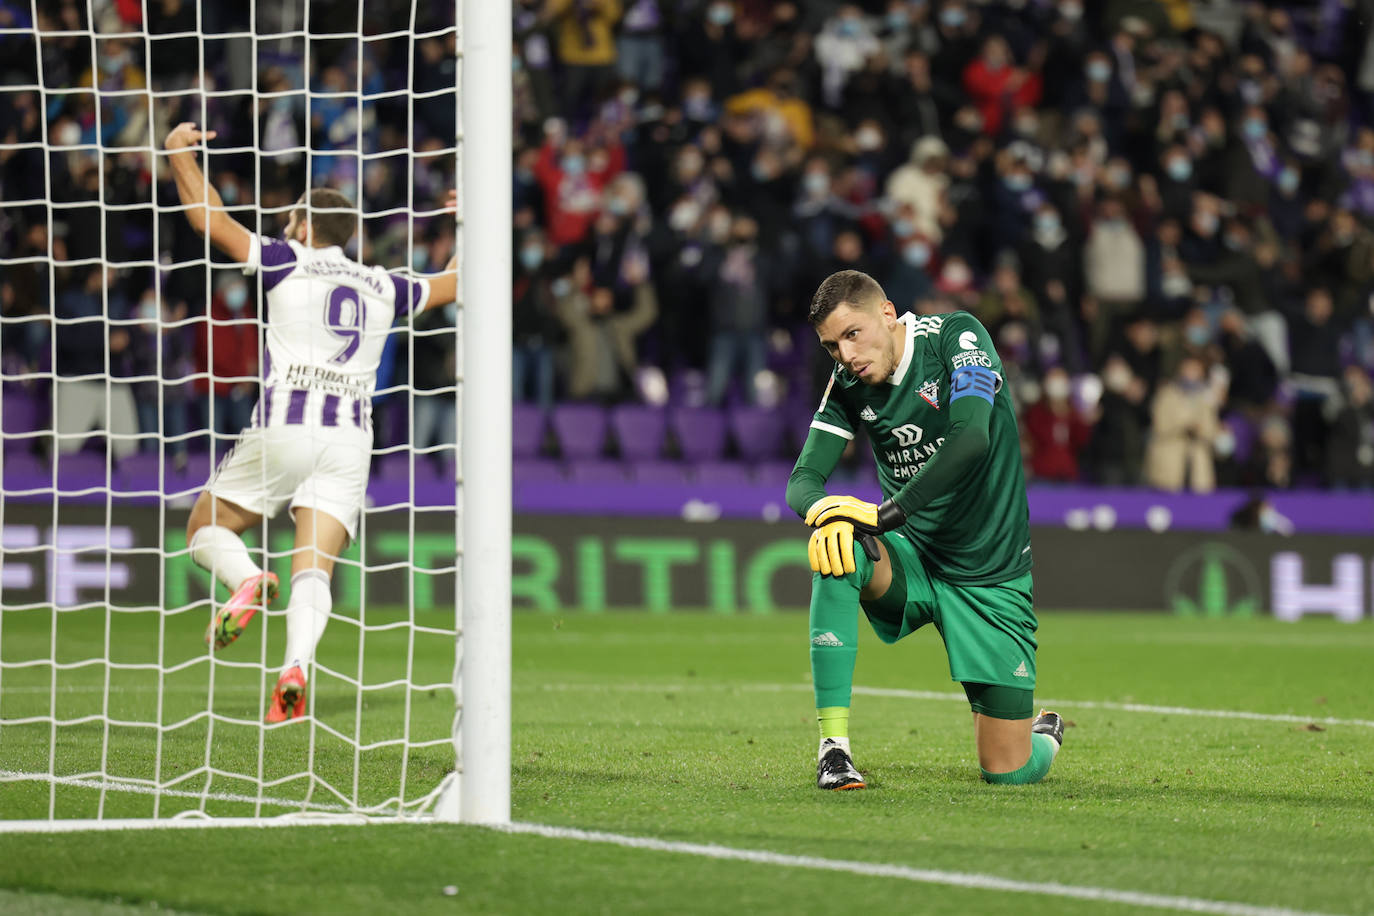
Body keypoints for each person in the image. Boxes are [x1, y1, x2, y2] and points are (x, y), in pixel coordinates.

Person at [164, 122, 458, 723]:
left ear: (303, 227)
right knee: (314, 570)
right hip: (351, 439)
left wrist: (177, 155)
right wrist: (468, 224)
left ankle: (244, 580)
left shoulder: (284, 261)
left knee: (205, 525)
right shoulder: (382, 284)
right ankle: (294, 667)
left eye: (289, 219)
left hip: (287, 419)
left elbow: (207, 219)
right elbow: (457, 281)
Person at [786, 269, 1063, 791]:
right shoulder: (848, 381)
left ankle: (1045, 733)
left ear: (887, 314)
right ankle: (833, 750)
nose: (845, 356)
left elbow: (971, 437)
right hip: (912, 560)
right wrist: (827, 510)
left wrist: (886, 512)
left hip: (990, 574)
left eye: (853, 334)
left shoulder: (958, 337)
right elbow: (802, 480)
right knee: (837, 545)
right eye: (831, 346)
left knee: (1008, 772)